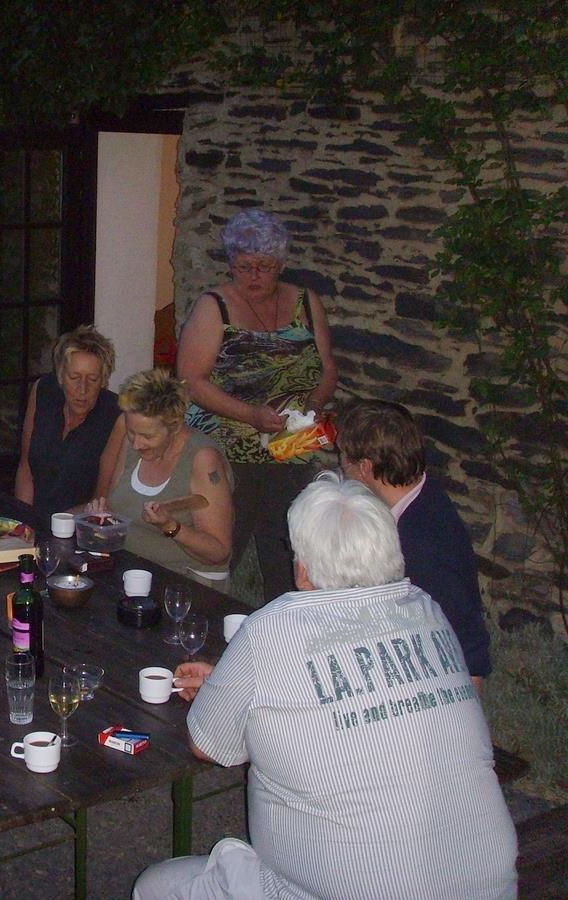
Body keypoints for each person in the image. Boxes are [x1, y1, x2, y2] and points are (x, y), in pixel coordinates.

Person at [134, 473, 517, 899]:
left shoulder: (273, 628)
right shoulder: (427, 611)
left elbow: (208, 745)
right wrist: (235, 687)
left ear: (302, 569)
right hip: (488, 886)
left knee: (156, 886)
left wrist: (233, 695)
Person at [176, 208, 337, 602]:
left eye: (263, 267)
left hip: (291, 447)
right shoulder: (215, 306)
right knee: (223, 548)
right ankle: (203, 615)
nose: (253, 277)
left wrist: (314, 406)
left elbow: (328, 367)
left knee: (287, 551)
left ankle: (281, 621)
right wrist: (250, 415)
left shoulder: (305, 302)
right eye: (243, 267)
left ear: (280, 264)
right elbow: (191, 381)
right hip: (227, 449)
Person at [337, 399, 491, 686]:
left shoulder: (423, 542)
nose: (342, 467)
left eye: (344, 459)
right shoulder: (420, 492)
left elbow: (467, 635)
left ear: (365, 468)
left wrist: (467, 701)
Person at [90, 369, 234, 592]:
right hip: (133, 571)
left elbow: (218, 552)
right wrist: (103, 517)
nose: (136, 444)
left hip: (188, 584)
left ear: (174, 426)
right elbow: (116, 505)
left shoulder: (203, 460)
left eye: (147, 436)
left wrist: (170, 526)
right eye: (131, 432)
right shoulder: (133, 444)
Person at [15, 324, 125, 520]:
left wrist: (56, 524)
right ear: (60, 375)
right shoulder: (43, 391)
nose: (82, 389)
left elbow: (101, 500)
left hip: (79, 524)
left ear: (104, 380)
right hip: (33, 519)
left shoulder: (116, 417)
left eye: (92, 379)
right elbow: (26, 469)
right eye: (74, 377)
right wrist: (23, 521)